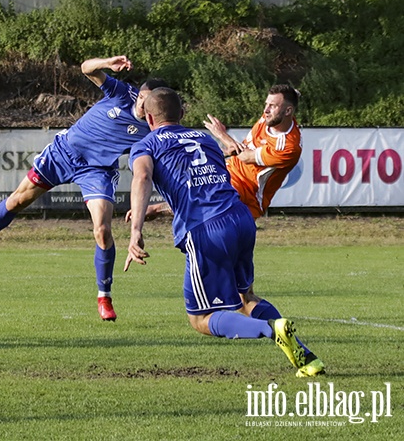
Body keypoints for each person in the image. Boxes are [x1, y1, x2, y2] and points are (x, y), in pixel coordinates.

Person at [0, 55, 167, 321]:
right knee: (18, 201)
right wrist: (107, 63)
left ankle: (104, 296)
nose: (142, 102)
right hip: (63, 153)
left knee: (102, 229)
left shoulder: (153, 130)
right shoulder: (122, 93)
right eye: (142, 96)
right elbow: (86, 69)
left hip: (96, 170)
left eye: (149, 100)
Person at [124, 87, 323, 377]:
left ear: (150, 119)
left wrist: (135, 229)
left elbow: (142, 176)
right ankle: (307, 358)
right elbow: (208, 188)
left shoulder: (147, 144)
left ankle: (270, 329)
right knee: (246, 298)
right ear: (182, 114)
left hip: (206, 229)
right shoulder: (205, 139)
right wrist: (156, 209)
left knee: (200, 318)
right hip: (240, 218)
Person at [138, 83, 303, 220]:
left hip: (246, 194)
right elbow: (244, 150)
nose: (266, 110)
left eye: (272, 106)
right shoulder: (271, 117)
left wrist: (222, 135)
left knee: (202, 197)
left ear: (288, 111)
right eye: (266, 104)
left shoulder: (288, 146)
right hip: (229, 172)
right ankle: (157, 209)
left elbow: (245, 157)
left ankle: (157, 209)